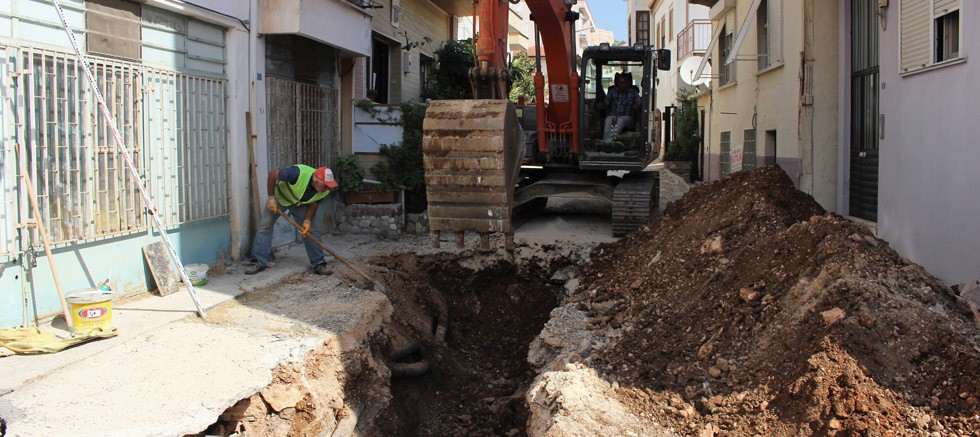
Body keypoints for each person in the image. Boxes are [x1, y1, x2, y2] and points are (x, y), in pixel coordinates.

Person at [245, 164, 338, 275]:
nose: (328, 188)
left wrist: (307, 220)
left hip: (300, 204)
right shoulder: (296, 174)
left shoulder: (325, 190)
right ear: (317, 182)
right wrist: (271, 198)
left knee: (312, 230)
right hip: (280, 198)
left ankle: (318, 263)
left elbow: (314, 203)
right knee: (265, 226)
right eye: (326, 186)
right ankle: (258, 261)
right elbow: (272, 175)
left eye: (329, 186)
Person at [596, 72, 641, 141]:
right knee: (608, 119)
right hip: (614, 115)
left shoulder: (634, 92)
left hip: (628, 118)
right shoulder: (612, 91)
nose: (621, 85)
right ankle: (605, 141)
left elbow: (639, 104)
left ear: (628, 83)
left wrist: (637, 105)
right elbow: (606, 103)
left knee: (621, 120)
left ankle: (610, 141)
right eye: (619, 82)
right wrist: (601, 105)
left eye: (624, 83)